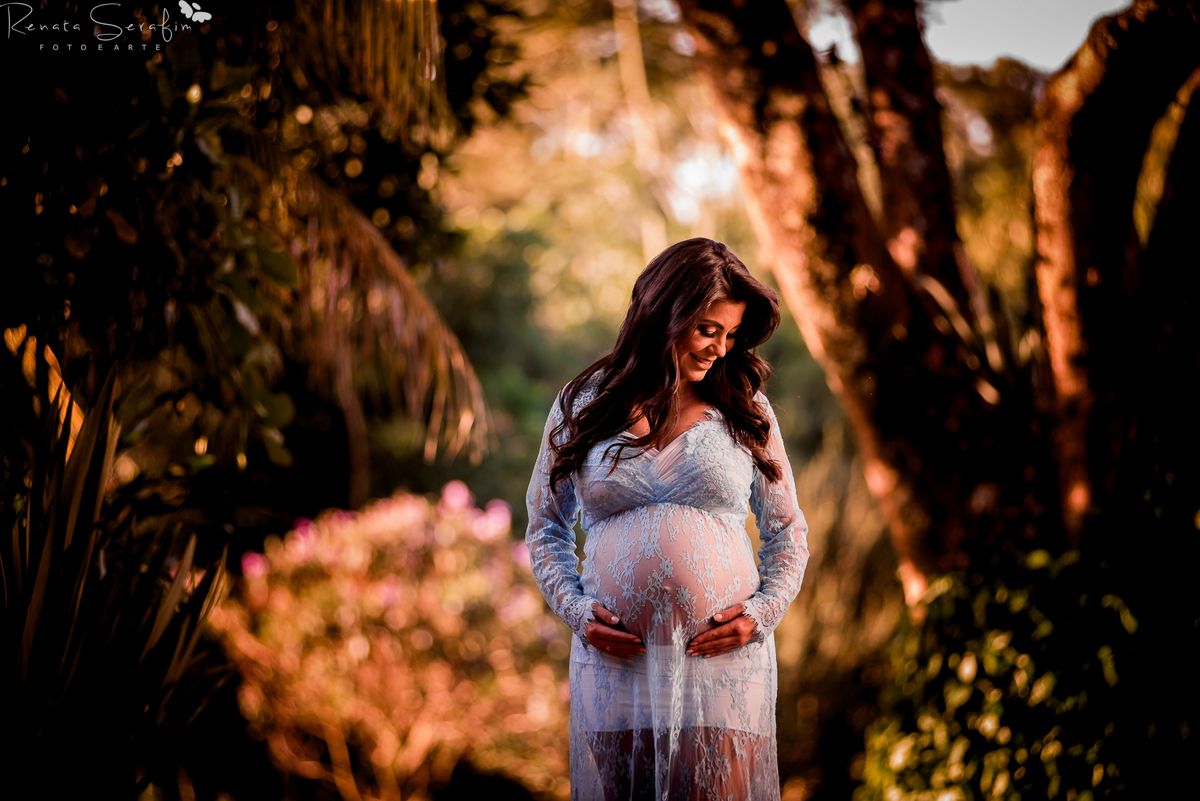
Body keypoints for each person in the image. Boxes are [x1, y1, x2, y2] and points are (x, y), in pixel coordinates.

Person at [526, 238, 810, 800]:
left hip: (720, 664)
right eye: (708, 329)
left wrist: (760, 616)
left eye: (731, 335)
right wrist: (577, 611)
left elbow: (788, 533)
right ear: (664, 313)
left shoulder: (745, 409)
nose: (720, 349)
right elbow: (545, 528)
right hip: (617, 665)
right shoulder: (583, 404)